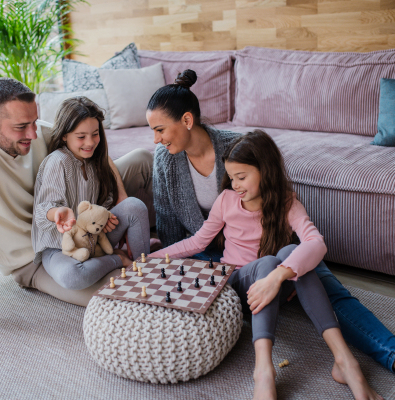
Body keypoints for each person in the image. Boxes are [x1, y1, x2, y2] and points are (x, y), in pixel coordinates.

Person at [147, 69, 395, 394]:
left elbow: (281, 202)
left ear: (187, 120)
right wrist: (157, 261)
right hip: (216, 256)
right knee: (283, 267)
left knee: (326, 284)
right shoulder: (165, 160)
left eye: (160, 129)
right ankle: (277, 363)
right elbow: (176, 228)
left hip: (276, 249)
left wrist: (282, 269)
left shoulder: (237, 149)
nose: (156, 139)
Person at [150, 130, 382, 400]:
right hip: (237, 284)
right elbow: (198, 242)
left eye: (242, 177)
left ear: (265, 171)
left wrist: (278, 277)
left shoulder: (285, 201)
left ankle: (344, 360)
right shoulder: (226, 200)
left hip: (274, 287)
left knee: (292, 253)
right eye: (232, 177)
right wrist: (151, 259)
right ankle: (263, 370)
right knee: (271, 262)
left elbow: (316, 243)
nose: (235, 184)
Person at [0, 78, 154, 323]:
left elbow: (93, 148)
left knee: (142, 159)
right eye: (22, 127)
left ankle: (149, 239)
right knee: (122, 294)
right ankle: (118, 256)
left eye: (34, 122)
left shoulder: (32, 130)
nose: (33, 133)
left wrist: (120, 196)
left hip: (82, 222)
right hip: (38, 257)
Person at [28, 96, 150, 290]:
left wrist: (107, 214)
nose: (90, 142)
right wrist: (56, 213)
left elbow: (106, 199)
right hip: (60, 248)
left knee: (134, 206)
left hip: (94, 236)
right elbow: (42, 211)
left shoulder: (94, 162)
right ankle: (118, 259)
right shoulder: (57, 162)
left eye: (95, 134)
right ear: (64, 136)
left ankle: (146, 268)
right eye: (81, 136)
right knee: (72, 276)